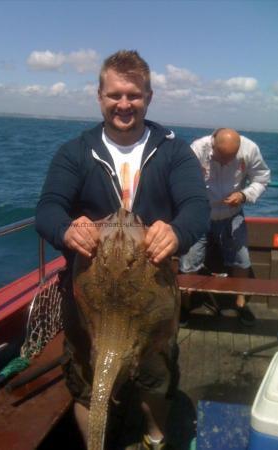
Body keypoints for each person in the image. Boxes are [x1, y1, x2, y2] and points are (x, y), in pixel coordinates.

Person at [36, 50, 210, 450]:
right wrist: (66, 230)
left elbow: (197, 207)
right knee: (87, 383)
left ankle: (154, 438)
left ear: (149, 97)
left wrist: (178, 231)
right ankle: (99, 439)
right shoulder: (76, 152)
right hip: (88, 298)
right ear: (99, 96)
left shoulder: (172, 150)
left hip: (152, 294)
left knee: (155, 378)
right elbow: (47, 209)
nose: (124, 104)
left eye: (134, 95)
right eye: (115, 95)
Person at [180, 128, 271, 326]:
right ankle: (184, 305)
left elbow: (262, 178)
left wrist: (244, 195)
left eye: (232, 159)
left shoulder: (250, 149)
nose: (226, 163)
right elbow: (182, 180)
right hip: (200, 214)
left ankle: (240, 304)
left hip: (232, 214)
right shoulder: (198, 149)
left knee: (241, 260)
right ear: (213, 145)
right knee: (189, 262)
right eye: (222, 158)